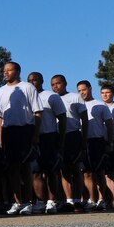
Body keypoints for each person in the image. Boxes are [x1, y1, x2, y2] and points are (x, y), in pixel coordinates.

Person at [0, 61, 42, 215]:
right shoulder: (1, 90)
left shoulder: (28, 87)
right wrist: (0, 136)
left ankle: (28, 202)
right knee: (12, 168)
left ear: (17, 71)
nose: (5, 73)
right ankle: (18, 202)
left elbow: (37, 112)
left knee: (25, 167)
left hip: (25, 130)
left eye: (9, 70)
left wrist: (35, 134)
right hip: (8, 131)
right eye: (4, 70)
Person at [27, 72, 66, 213]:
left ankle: (52, 201)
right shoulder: (26, 97)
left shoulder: (51, 96)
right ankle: (40, 202)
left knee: (51, 171)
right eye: (30, 80)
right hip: (32, 139)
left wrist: (60, 140)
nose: (33, 83)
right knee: (36, 172)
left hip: (49, 137)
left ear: (42, 80)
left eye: (35, 80)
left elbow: (62, 118)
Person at [50, 74, 88, 212]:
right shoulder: (51, 98)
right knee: (63, 169)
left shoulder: (75, 97)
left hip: (73, 135)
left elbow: (85, 119)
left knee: (76, 169)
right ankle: (69, 200)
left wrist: (84, 139)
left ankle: (78, 200)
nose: (56, 86)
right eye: (53, 84)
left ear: (65, 83)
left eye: (58, 83)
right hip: (57, 136)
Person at [77, 81, 114, 211]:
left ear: (90, 89)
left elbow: (109, 125)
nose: (82, 93)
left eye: (84, 90)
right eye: (79, 90)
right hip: (82, 141)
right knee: (86, 173)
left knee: (99, 172)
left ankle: (102, 199)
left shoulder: (100, 105)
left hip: (97, 141)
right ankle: (92, 200)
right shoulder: (77, 105)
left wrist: (110, 142)